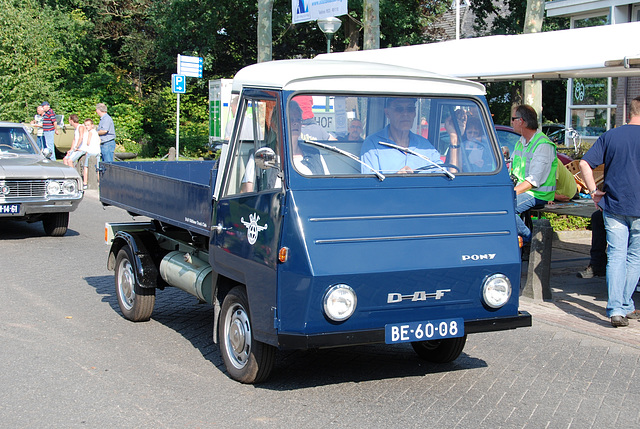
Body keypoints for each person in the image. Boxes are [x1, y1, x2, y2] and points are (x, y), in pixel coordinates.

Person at [579, 96, 640, 327]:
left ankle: (616, 309)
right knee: (635, 257)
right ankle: (624, 304)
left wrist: (593, 191)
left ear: (629, 113)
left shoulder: (611, 136)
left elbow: (584, 163)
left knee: (615, 255)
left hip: (613, 205)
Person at [240, 100, 328, 193]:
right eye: (290, 120)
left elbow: (328, 189)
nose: (295, 123)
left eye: (298, 120)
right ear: (274, 126)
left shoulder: (314, 155)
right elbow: (247, 193)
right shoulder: (260, 155)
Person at [510, 104, 557, 243]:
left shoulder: (543, 145)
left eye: (513, 119)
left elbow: (533, 181)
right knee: (496, 205)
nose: (511, 122)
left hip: (538, 194)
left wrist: (510, 192)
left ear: (521, 121)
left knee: (505, 208)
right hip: (523, 190)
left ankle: (530, 239)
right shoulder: (521, 142)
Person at [360, 97, 444, 174]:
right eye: (399, 109)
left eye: (410, 109)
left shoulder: (425, 145)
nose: (405, 114)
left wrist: (454, 140)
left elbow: (445, 179)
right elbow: (370, 186)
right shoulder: (372, 145)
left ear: (414, 113)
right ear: (387, 113)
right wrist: (396, 180)